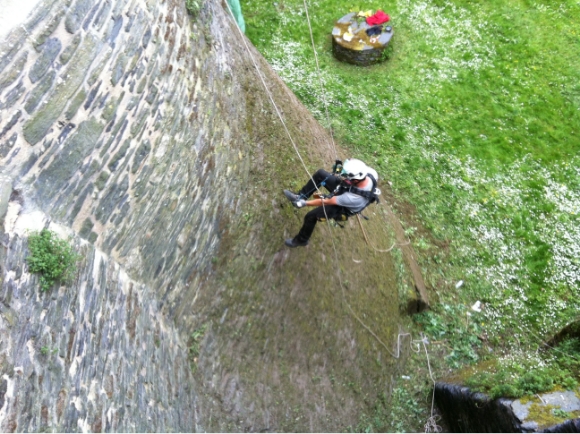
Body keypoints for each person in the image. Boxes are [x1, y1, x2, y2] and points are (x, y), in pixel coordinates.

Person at [283, 159, 380, 248]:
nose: (345, 177)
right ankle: (300, 196)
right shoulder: (370, 173)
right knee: (320, 174)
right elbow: (345, 174)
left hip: (342, 207)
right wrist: (338, 170)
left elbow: (326, 201)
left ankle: (301, 240)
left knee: (310, 216)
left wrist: (304, 204)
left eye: (347, 177)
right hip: (346, 189)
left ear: (355, 180)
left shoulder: (353, 198)